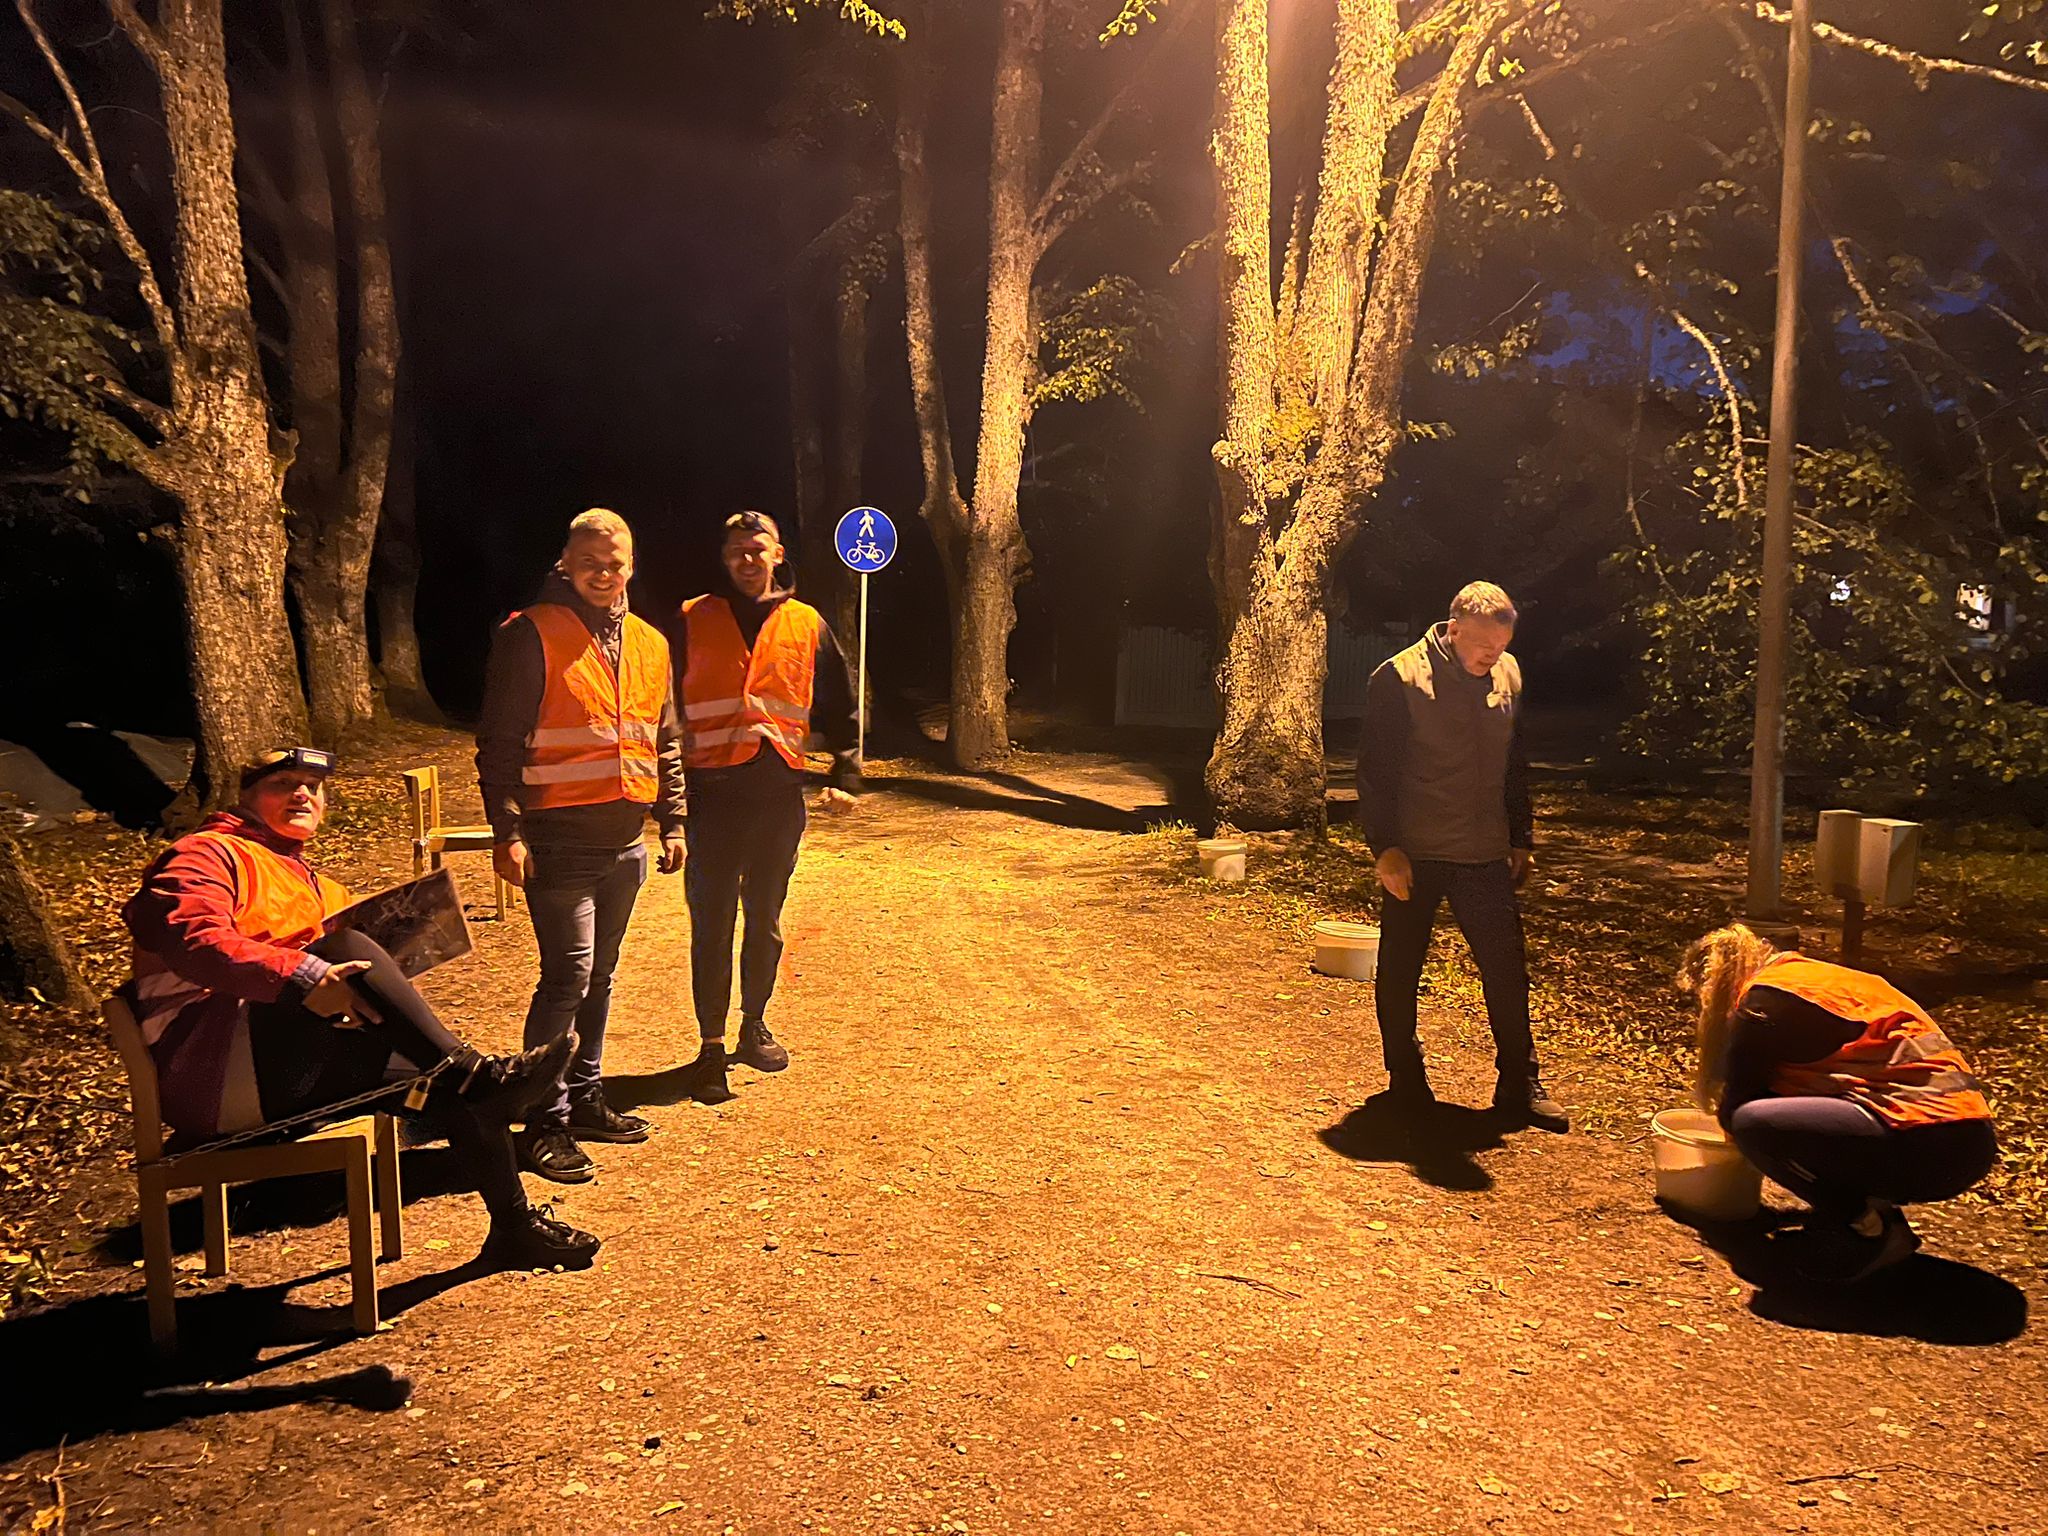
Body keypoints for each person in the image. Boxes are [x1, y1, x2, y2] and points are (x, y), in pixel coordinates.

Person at [119, 746, 599, 1268]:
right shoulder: (206, 854)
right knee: (350, 953)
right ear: (246, 796)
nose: (302, 794)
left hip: (290, 1064)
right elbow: (191, 934)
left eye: (312, 787)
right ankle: (475, 1074)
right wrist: (306, 973)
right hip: (212, 1070)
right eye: (283, 783)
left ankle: (514, 1227)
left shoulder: (314, 883)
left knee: (447, 1085)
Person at [477, 508, 687, 1183]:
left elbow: (666, 742)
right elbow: (500, 745)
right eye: (589, 561)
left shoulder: (652, 643)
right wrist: (507, 831)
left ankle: (586, 1095)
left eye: (614, 562)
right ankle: (544, 1119)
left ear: (632, 565)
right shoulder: (530, 634)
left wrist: (673, 821)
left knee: (600, 975)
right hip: (558, 841)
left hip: (626, 843)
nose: (603, 572)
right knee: (567, 976)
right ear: (566, 563)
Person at [1355, 581, 1567, 1132]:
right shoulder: (1399, 677)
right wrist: (1386, 848)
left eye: (1501, 646)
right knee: (1401, 969)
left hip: (1483, 850)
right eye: (1482, 645)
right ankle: (1405, 1077)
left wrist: (1521, 836)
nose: (1491, 655)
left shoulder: (1509, 674)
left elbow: (1514, 761)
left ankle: (1519, 1080)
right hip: (1415, 852)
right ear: (1453, 630)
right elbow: (1375, 772)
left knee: (1506, 969)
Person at [1680, 924, 1998, 1280]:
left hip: (1925, 1144)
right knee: (1785, 1115)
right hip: (1970, 1142)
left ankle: (1865, 1231)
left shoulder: (1762, 1002)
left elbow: (1736, 1100)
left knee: (1750, 1121)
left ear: (1716, 982)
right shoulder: (1813, 980)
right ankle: (1877, 1217)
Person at [669, 511, 860, 1103]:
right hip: (711, 794)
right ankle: (709, 1046)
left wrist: (846, 771)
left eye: (758, 549)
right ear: (724, 557)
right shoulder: (691, 618)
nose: (747, 559)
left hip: (777, 793)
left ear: (778, 554)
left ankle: (753, 1025)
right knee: (711, 923)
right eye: (737, 550)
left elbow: (840, 699)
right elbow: (664, 703)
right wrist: (667, 796)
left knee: (766, 921)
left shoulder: (807, 622)